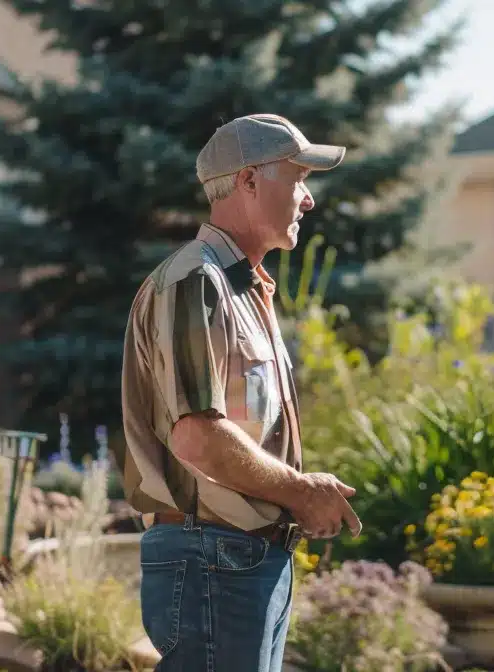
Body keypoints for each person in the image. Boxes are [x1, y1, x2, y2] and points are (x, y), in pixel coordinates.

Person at [117, 113, 364, 672]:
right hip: (212, 559)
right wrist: (301, 492)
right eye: (298, 179)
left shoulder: (243, 287)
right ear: (248, 181)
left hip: (238, 559)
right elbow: (198, 437)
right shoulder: (196, 281)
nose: (308, 201)